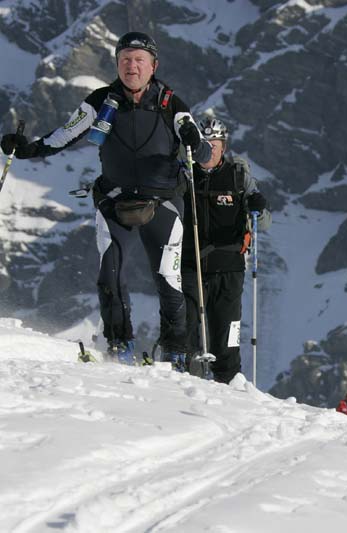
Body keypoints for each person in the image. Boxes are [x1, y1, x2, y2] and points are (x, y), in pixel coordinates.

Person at [1, 32, 212, 366]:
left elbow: (203, 154)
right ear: (116, 64)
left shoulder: (172, 104)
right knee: (109, 276)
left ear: (153, 66)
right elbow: (66, 134)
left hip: (163, 202)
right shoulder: (101, 101)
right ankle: (119, 346)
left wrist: (194, 140)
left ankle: (176, 355)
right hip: (114, 200)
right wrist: (27, 149)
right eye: (125, 59)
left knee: (168, 280)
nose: (132, 66)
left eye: (139, 60)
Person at [180, 116, 268, 382]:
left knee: (227, 335)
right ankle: (183, 383)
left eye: (214, 144)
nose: (209, 150)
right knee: (186, 330)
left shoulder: (238, 177)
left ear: (223, 147)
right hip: (191, 265)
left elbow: (264, 222)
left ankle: (229, 385)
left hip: (229, 268)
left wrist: (258, 206)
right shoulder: (184, 176)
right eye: (204, 144)